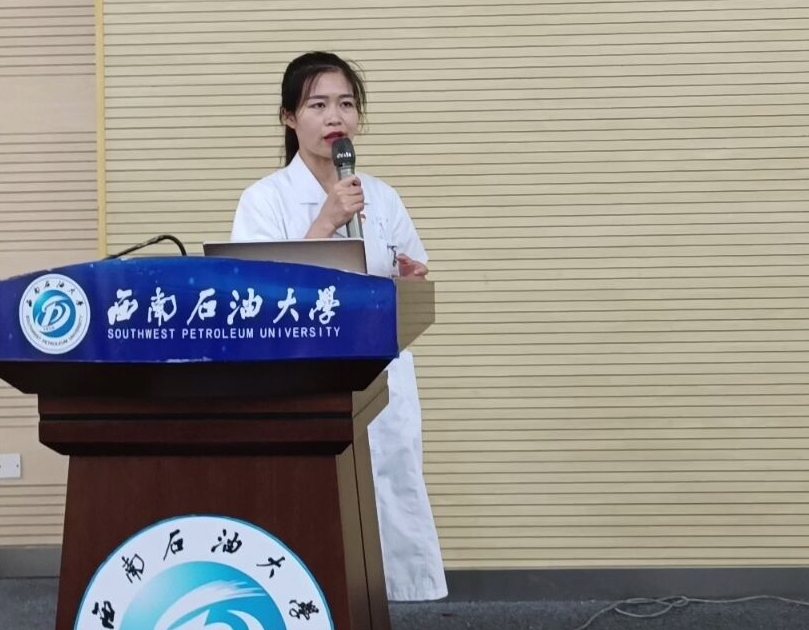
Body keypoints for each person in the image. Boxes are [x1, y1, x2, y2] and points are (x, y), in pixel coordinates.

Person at [230, 51, 447, 602]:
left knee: (387, 487)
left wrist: (408, 276)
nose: (335, 117)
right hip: (303, 374)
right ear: (289, 118)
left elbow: (412, 272)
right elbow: (258, 295)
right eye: (318, 105)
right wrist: (325, 222)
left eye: (346, 105)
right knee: (307, 494)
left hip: (379, 369)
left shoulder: (382, 196)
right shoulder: (264, 199)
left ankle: (391, 600)